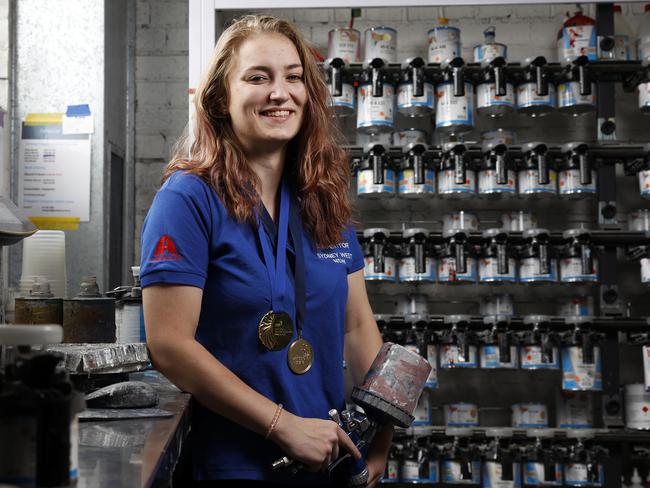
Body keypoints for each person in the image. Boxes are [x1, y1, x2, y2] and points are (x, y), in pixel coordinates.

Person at [140, 14, 392, 486]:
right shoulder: (187, 199)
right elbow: (169, 344)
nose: (281, 92)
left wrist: (380, 434)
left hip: (328, 460)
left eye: (293, 77)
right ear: (221, 98)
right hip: (236, 465)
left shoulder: (323, 199)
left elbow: (358, 327)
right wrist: (283, 425)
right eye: (258, 77)